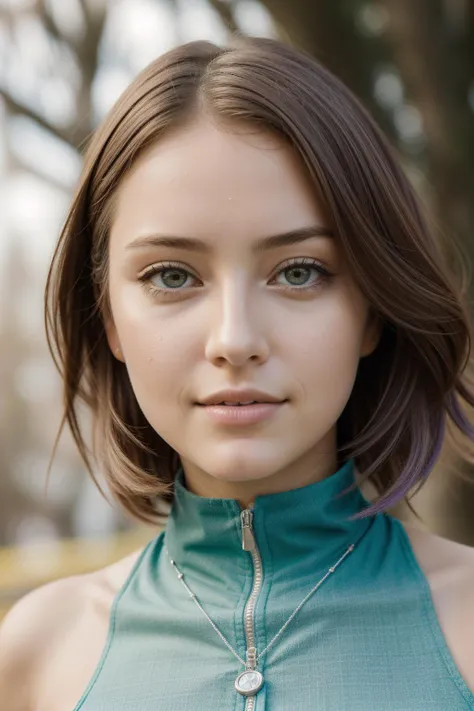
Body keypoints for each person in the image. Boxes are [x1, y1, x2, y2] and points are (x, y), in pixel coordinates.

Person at [1, 34, 474, 711]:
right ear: (107, 316)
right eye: (171, 275)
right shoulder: (37, 657)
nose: (234, 339)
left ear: (372, 309)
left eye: (299, 272)